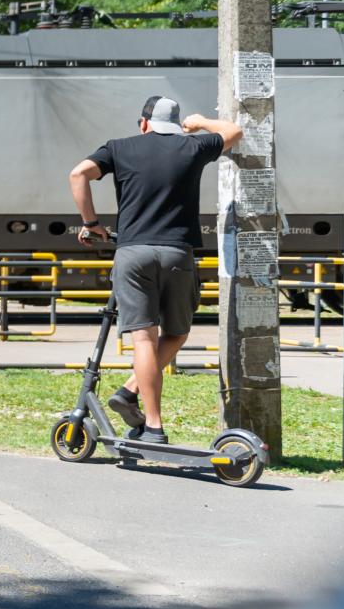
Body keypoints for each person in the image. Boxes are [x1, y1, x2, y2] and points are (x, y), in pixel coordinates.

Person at [69, 95, 240, 444]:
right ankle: (130, 393)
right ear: (176, 127)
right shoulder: (192, 146)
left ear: (144, 124)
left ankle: (154, 427)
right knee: (176, 334)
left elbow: (78, 174)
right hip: (177, 253)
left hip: (133, 254)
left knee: (143, 340)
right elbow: (234, 130)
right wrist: (200, 121)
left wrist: (92, 223)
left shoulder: (120, 148)